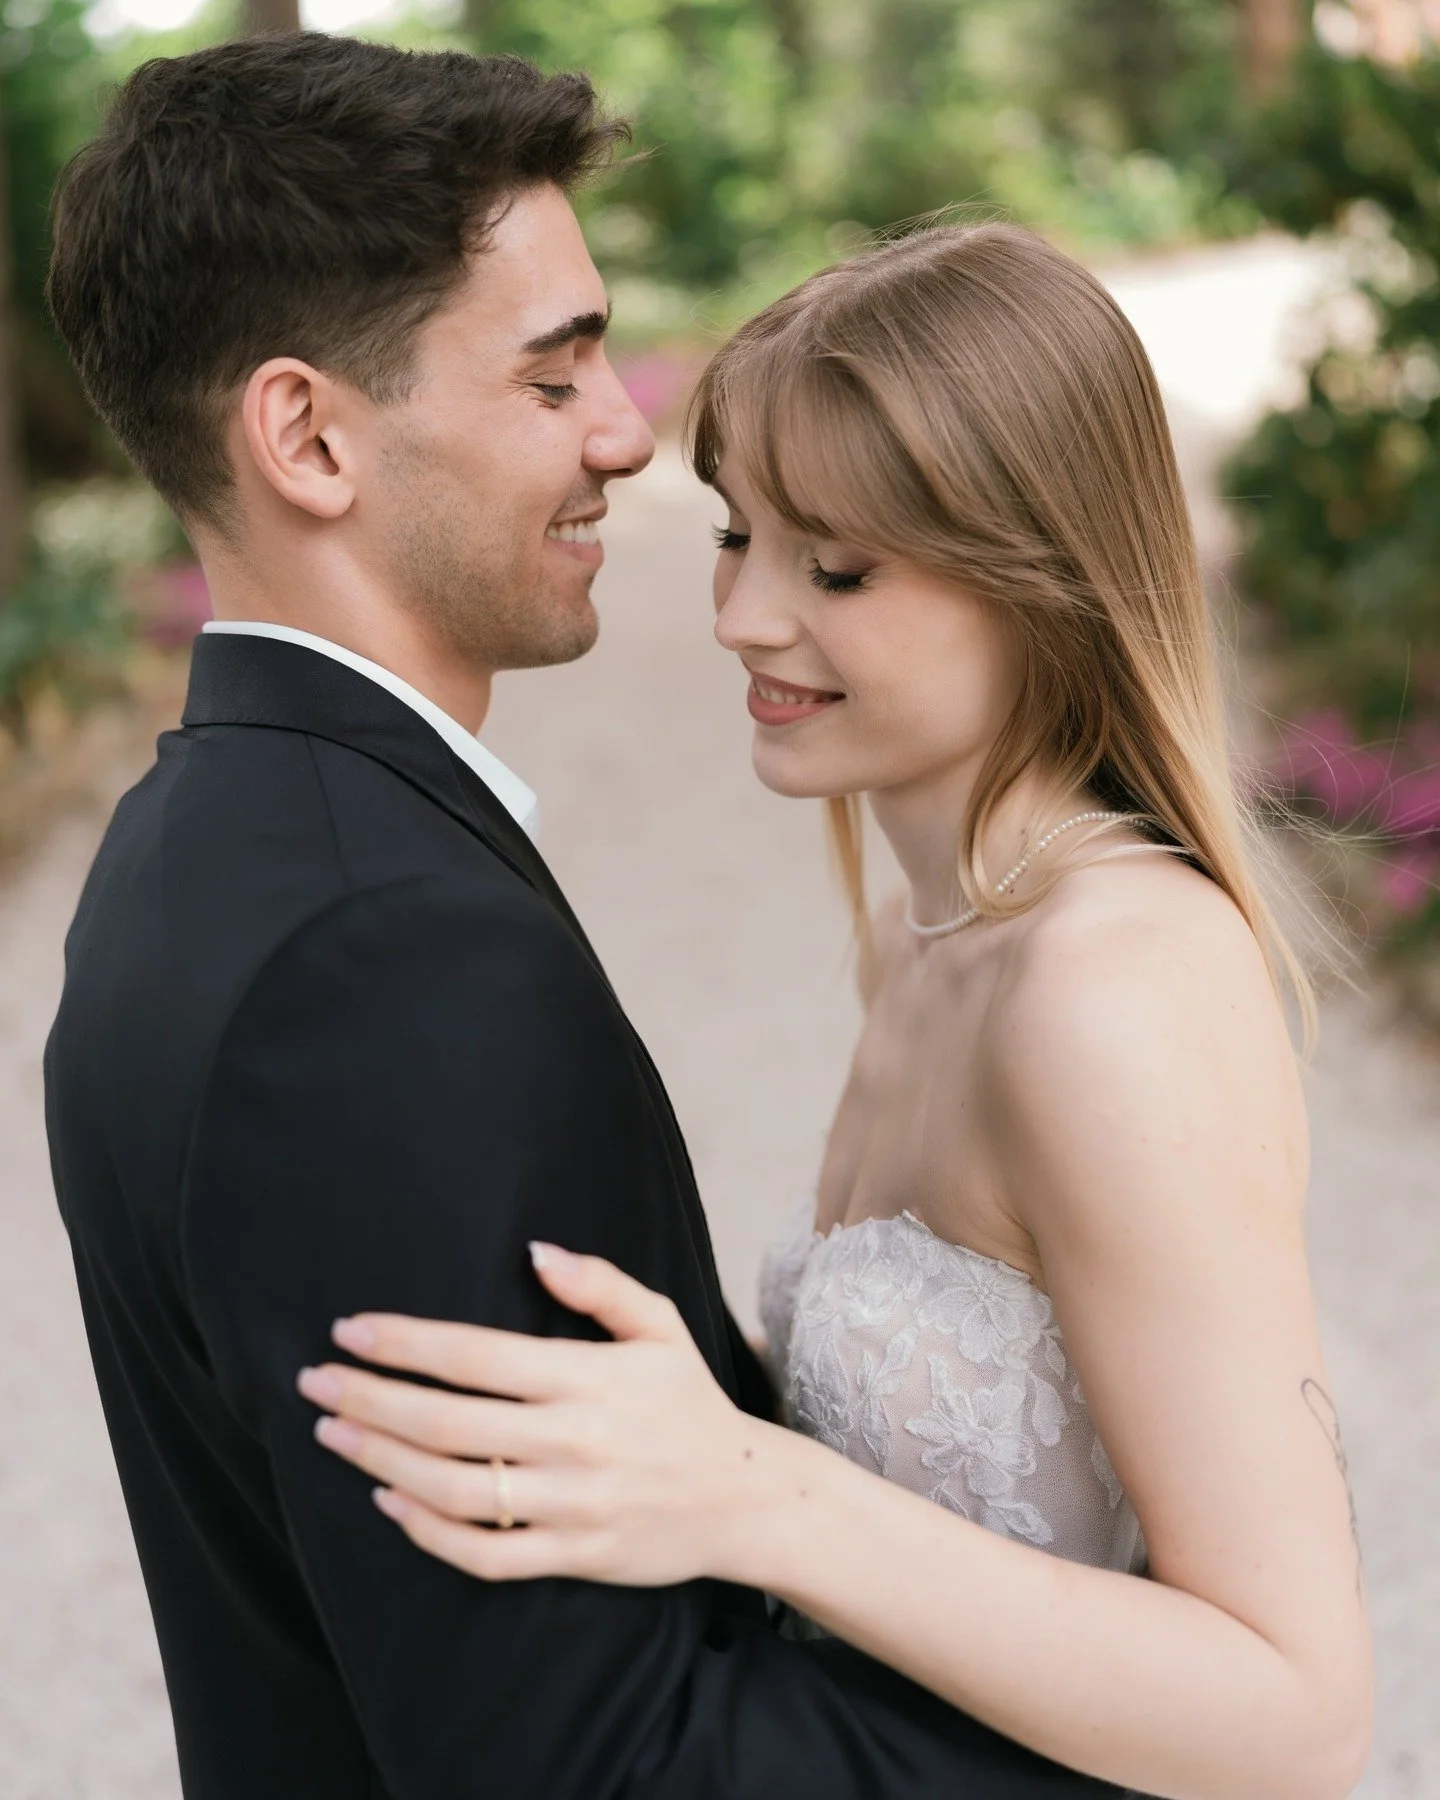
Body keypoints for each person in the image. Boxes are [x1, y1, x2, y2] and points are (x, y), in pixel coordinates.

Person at [42, 33, 1121, 1800]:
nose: (629, 433)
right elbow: (596, 1766)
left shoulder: (183, 851)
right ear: (308, 436)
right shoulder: (382, 963)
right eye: (554, 377)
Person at [298, 226, 1375, 1800]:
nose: (740, 616)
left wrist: (753, 1492)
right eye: (739, 535)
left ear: (1045, 578)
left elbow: (1297, 1716)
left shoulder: (1111, 991)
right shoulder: (923, 931)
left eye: (838, 569)